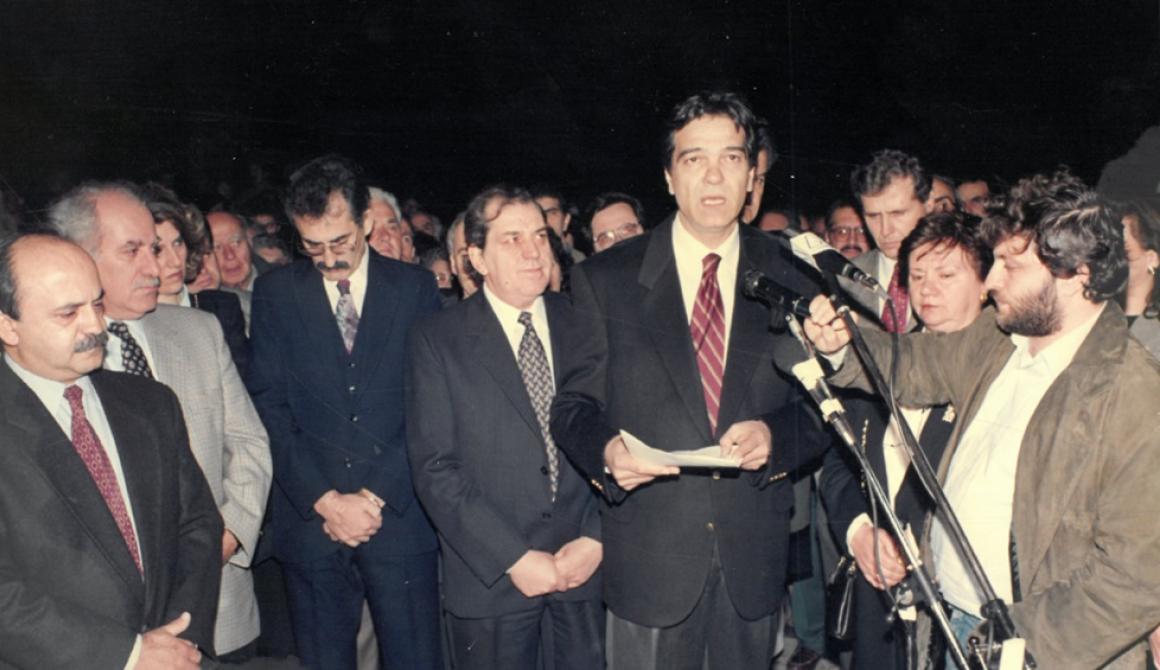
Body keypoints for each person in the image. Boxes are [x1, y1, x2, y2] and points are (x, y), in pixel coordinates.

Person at [803, 170, 1160, 668]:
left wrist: (1016, 645)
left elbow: (1135, 574)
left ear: (1076, 274)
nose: (991, 282)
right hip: (955, 626)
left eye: (1010, 265)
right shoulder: (999, 341)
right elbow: (913, 363)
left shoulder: (1132, 391)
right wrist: (843, 345)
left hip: (1033, 651)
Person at [551, 91, 829, 670]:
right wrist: (606, 452)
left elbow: (821, 411)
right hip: (649, 560)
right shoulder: (607, 279)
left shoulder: (791, 275)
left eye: (731, 158)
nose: (714, 176)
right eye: (694, 158)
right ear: (669, 177)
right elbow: (573, 406)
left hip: (752, 561)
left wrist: (775, 438)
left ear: (752, 175)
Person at [47, 182, 273, 662]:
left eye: (154, 249)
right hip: (109, 634)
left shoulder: (198, 332)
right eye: (133, 251)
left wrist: (224, 539)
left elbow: (249, 444)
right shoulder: (54, 360)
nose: (156, 268)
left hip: (220, 606)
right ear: (80, 256)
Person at [248, 155, 443, 669]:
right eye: (312, 246)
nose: (329, 258)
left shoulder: (415, 289)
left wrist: (374, 496)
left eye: (341, 242)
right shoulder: (275, 294)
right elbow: (268, 406)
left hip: (398, 518)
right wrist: (328, 502)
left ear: (367, 222)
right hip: (314, 526)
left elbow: (428, 407)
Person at [0, 232, 221, 669]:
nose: (96, 326)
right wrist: (128, 655)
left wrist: (179, 641)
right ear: (7, 325)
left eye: (97, 304)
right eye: (69, 313)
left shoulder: (150, 403)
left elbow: (197, 525)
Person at [407, 185, 604, 669]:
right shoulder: (439, 339)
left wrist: (597, 537)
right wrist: (515, 557)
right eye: (512, 239)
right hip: (492, 579)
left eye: (539, 235)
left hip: (582, 569)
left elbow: (618, 434)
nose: (533, 251)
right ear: (477, 258)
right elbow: (435, 468)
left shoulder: (584, 322)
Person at [819, 212, 991, 669]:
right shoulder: (883, 357)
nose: (928, 288)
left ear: (985, 284)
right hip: (879, 605)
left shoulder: (998, 376)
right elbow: (839, 465)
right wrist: (858, 532)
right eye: (916, 275)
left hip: (956, 613)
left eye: (946, 275)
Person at [847, 149, 934, 332]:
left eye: (898, 213)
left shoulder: (961, 275)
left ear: (929, 205)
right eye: (873, 216)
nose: (885, 230)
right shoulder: (844, 280)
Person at [1120, 199, 1160, 357]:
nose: (1114, 260)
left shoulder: (1154, 336)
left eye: (1124, 252)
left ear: (1151, 259)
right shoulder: (1098, 314)